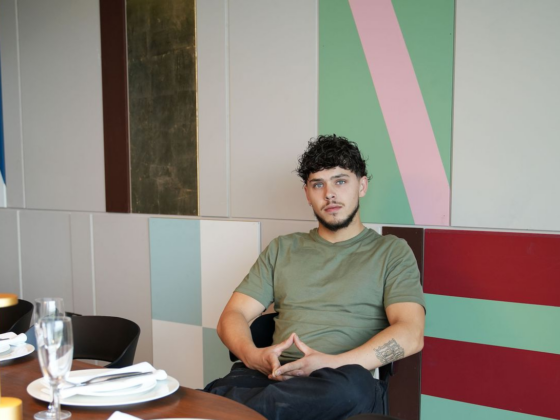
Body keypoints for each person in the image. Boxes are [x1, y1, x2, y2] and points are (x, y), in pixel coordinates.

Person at [203, 135, 425, 420]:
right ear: (307, 193)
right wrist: (252, 356)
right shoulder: (283, 248)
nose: (329, 194)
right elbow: (232, 315)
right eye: (318, 184)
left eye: (340, 181)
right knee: (238, 383)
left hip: (340, 380)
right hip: (274, 376)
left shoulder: (391, 251)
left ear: (363, 185)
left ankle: (223, 406)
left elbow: (411, 333)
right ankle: (232, 404)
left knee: (351, 389)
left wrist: (331, 364)